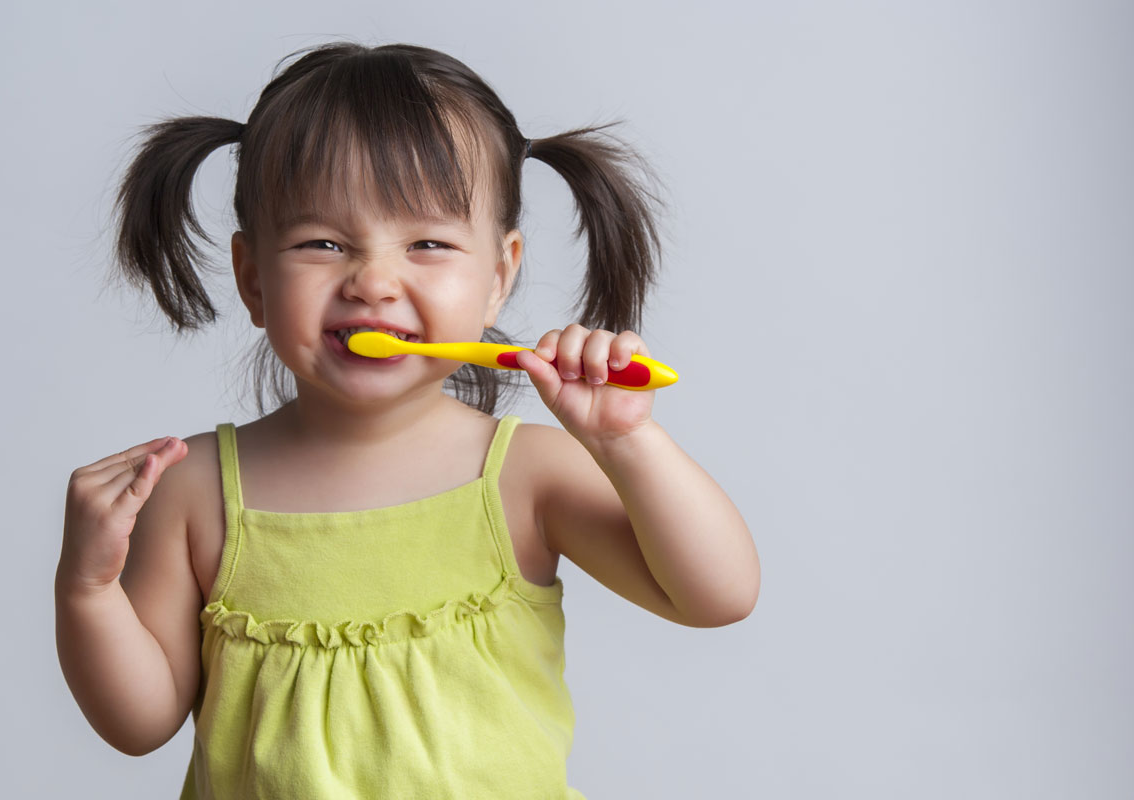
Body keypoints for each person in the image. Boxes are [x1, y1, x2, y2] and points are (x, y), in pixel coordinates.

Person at [55, 41, 760, 799]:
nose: (373, 282)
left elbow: (715, 596)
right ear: (254, 279)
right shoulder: (192, 490)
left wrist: (628, 442)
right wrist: (87, 590)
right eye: (321, 243)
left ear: (497, 277)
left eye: (427, 243)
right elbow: (139, 724)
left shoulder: (525, 476)